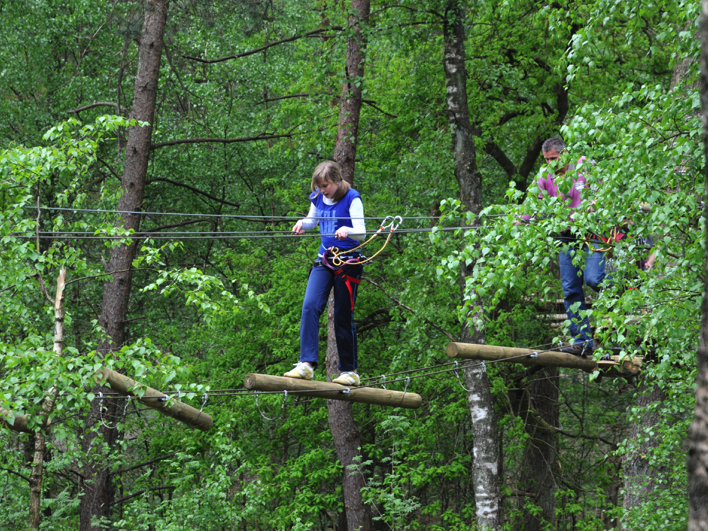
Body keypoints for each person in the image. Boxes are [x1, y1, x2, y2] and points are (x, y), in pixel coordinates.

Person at [284, 161, 367, 385]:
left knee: (342, 316)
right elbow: (313, 221)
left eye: (326, 185)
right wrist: (303, 223)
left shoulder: (352, 198)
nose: (323, 190)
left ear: (338, 180)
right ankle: (306, 365)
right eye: (319, 186)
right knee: (310, 305)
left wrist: (347, 230)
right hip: (325, 260)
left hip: (348, 262)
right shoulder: (318, 197)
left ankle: (349, 371)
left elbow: (361, 232)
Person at [538, 137, 605, 356]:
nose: (551, 164)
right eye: (547, 160)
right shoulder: (545, 176)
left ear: (565, 153)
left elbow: (606, 188)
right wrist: (521, 218)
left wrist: (597, 201)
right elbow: (533, 202)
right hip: (567, 238)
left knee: (594, 279)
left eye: (554, 159)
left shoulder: (584, 165)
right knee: (570, 289)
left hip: (593, 233)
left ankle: (619, 298)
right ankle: (583, 341)